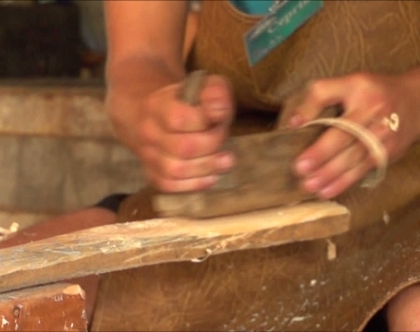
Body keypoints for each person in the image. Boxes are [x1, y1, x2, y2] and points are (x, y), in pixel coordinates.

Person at [102, 1, 420, 331]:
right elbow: (138, 62)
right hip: (235, 184)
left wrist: (411, 97)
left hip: (409, 175)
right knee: (65, 293)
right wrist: (160, 120)